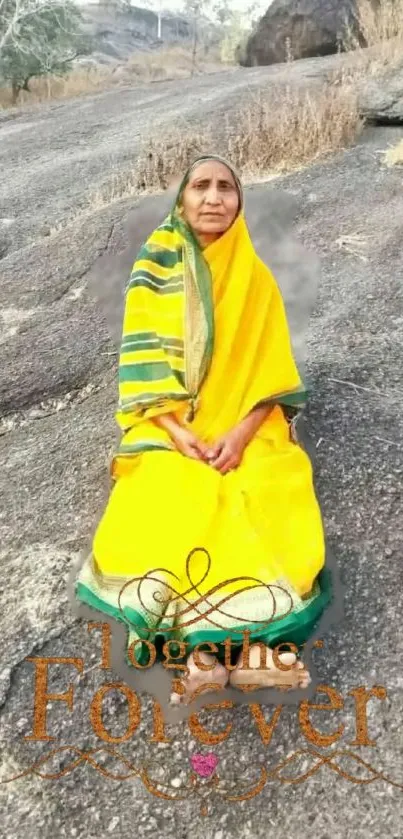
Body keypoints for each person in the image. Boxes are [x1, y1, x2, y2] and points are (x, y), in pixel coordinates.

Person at [75, 154, 332, 705]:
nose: (213, 197)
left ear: (239, 202)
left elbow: (271, 374)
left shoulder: (255, 277)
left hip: (245, 424)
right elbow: (141, 357)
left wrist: (239, 435)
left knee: (265, 483)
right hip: (172, 422)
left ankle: (257, 650)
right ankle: (203, 653)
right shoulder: (158, 267)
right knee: (171, 488)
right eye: (200, 187)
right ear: (182, 200)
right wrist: (175, 430)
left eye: (225, 188)